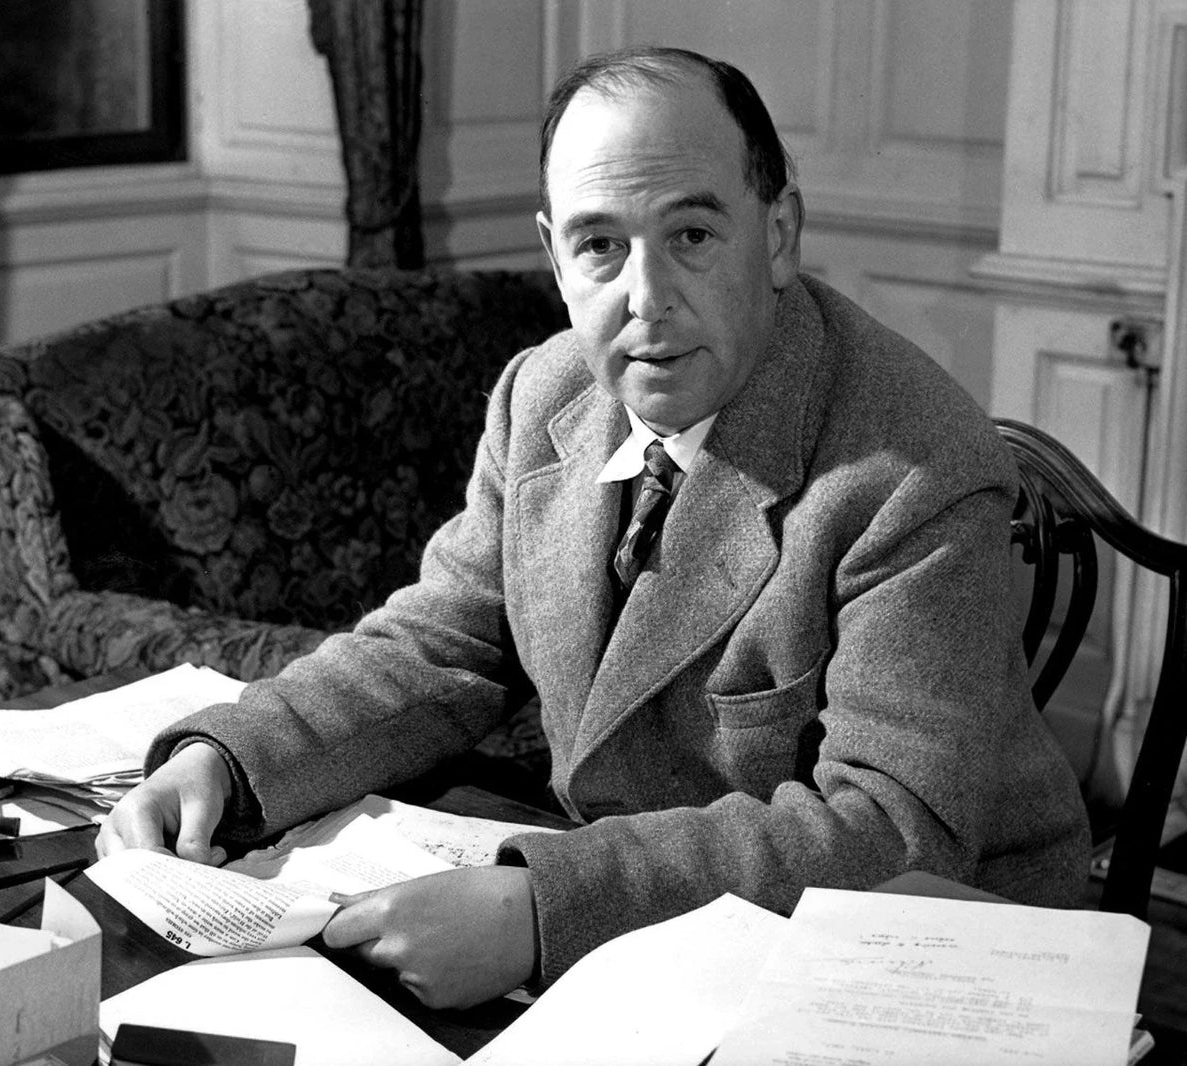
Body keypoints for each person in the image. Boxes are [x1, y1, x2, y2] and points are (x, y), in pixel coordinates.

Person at [97, 46, 1090, 1009]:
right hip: (664, 937)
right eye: (600, 245)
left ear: (779, 233)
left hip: (922, 963)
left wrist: (546, 909)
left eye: (691, 235)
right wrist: (231, 762)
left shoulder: (916, 465)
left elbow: (892, 829)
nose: (646, 299)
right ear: (554, 257)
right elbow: (435, 646)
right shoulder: (543, 394)